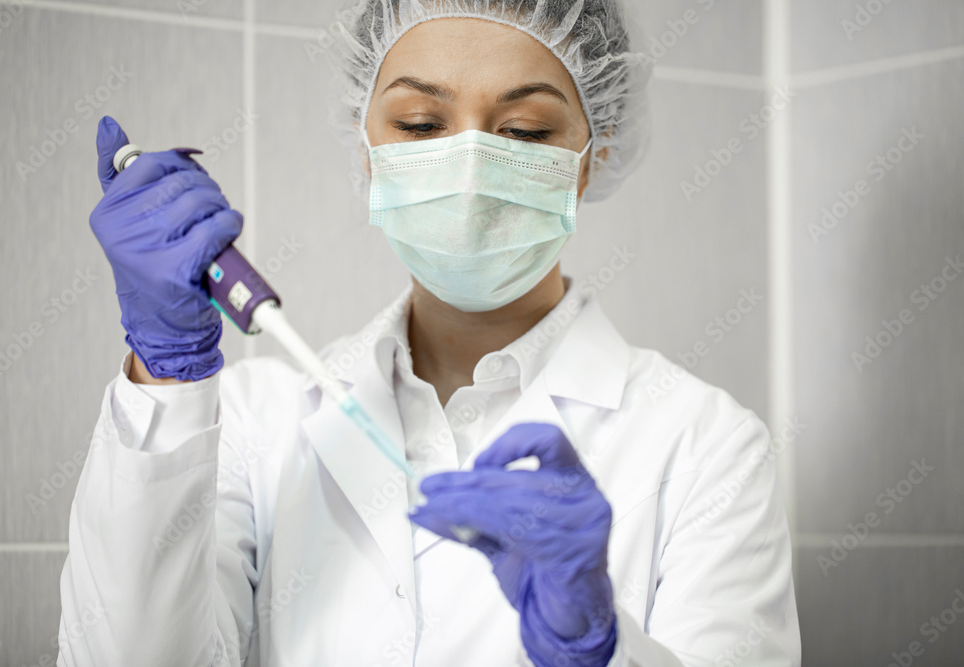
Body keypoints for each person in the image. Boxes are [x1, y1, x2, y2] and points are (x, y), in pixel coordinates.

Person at [58, 1, 801, 665]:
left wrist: (597, 647)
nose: (470, 169)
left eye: (524, 131)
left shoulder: (707, 447)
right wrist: (167, 376)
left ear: (592, 155)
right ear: (367, 148)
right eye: (419, 124)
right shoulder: (256, 424)